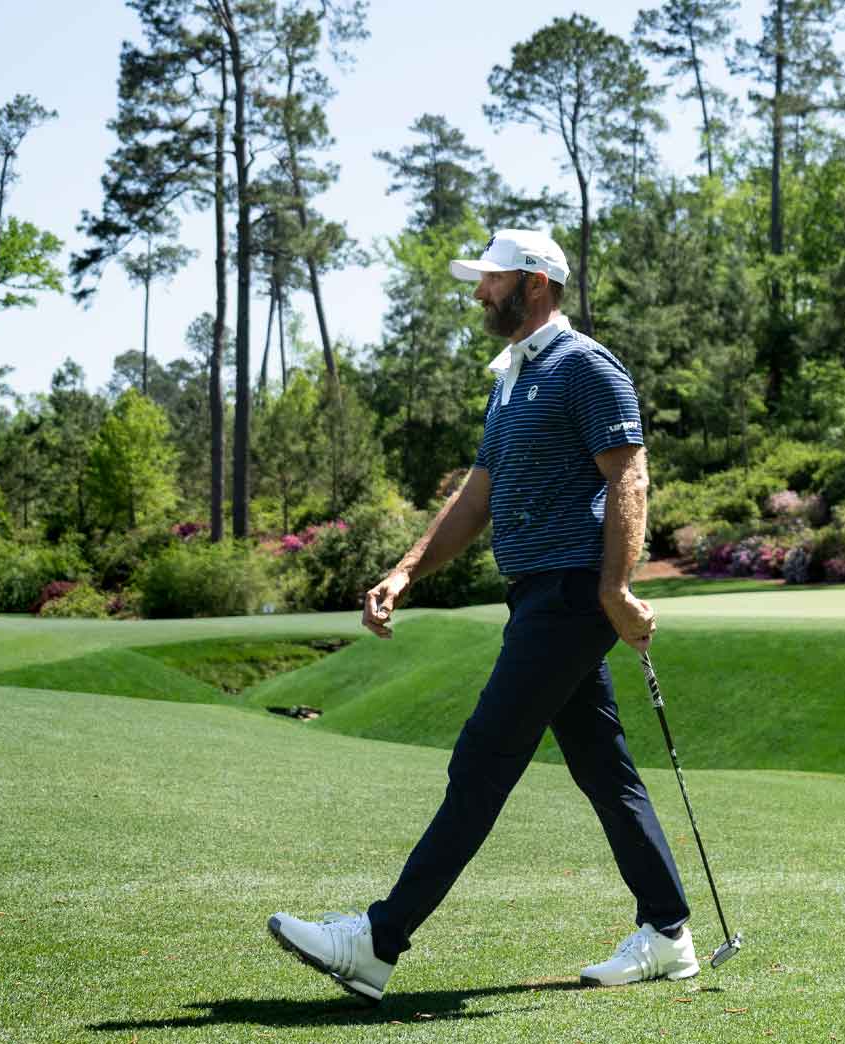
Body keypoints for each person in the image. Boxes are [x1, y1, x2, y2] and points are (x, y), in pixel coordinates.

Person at [267, 228, 696, 1003]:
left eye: (489, 280)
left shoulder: (586, 366)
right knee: (604, 769)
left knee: (483, 760)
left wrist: (615, 589)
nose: (477, 294)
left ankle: (377, 943)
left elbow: (629, 478)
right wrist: (404, 572)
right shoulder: (511, 379)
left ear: (534, 283)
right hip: (536, 592)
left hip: (571, 593)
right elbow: (477, 498)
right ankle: (668, 933)